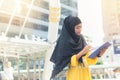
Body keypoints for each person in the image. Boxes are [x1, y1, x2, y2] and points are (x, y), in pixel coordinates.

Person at [50, 15, 108, 80]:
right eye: (77, 27)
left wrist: (100, 53)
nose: (80, 30)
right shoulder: (65, 42)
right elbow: (69, 61)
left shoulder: (81, 39)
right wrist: (83, 51)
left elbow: (88, 60)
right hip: (75, 76)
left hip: (85, 75)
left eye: (81, 27)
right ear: (71, 28)